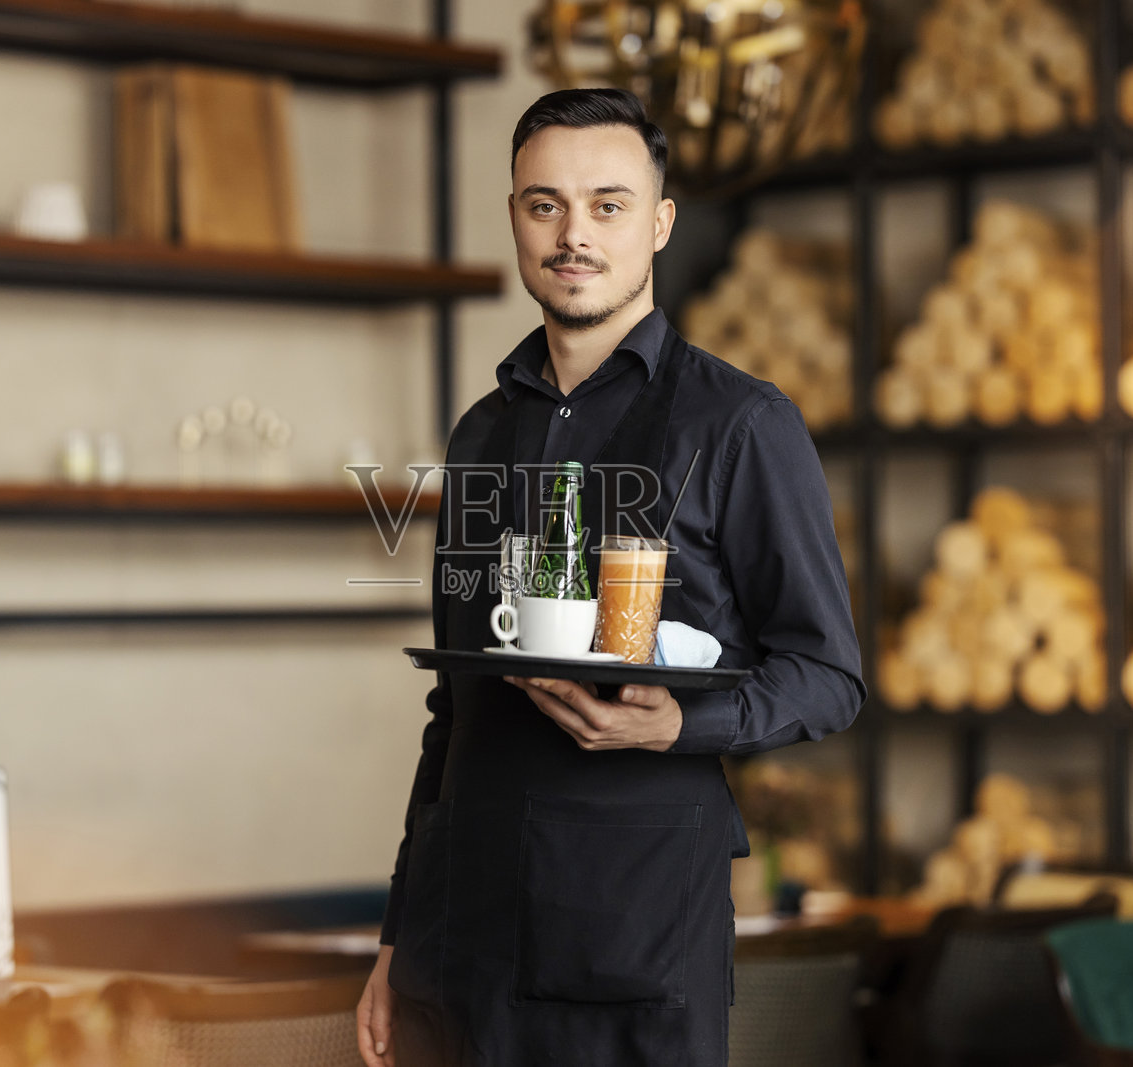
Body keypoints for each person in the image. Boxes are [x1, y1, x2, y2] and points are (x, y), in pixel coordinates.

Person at [356, 87, 864, 1067]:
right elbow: (453, 709)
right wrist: (395, 934)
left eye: (608, 204)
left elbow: (828, 674)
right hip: (455, 960)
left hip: (631, 948)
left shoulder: (740, 424)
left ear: (661, 222)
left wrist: (676, 722)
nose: (573, 233)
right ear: (513, 216)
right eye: (543, 204)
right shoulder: (480, 433)